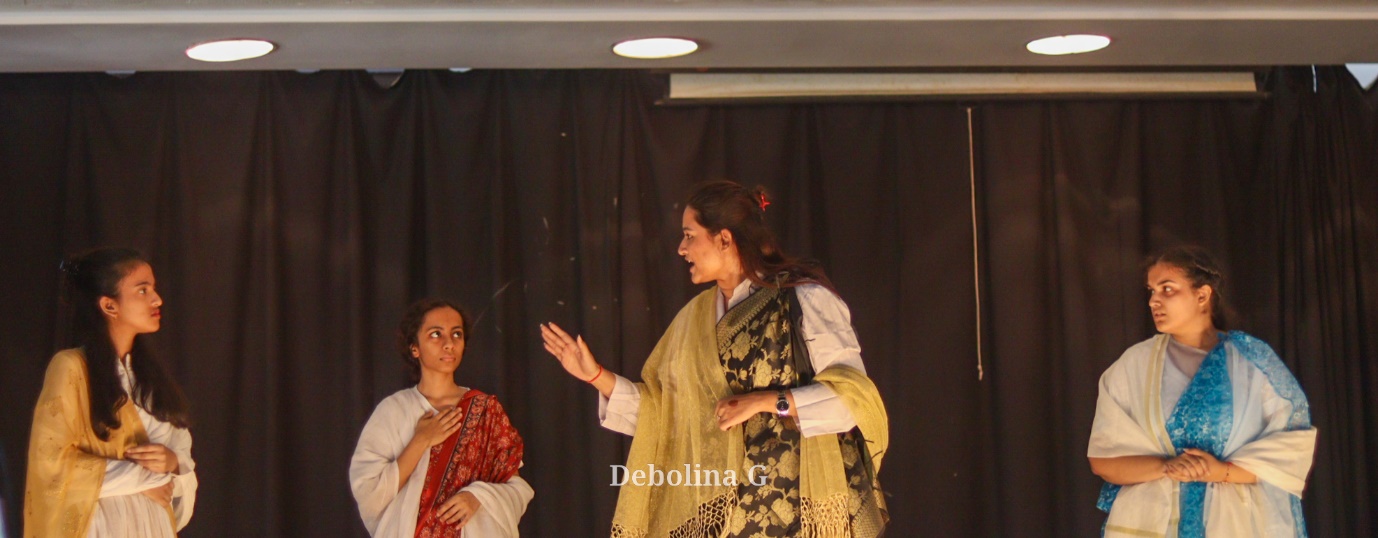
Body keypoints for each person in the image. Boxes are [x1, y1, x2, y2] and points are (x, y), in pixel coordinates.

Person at [541, 180, 889, 537]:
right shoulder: (693, 320)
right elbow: (667, 419)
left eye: (689, 235)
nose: (681, 248)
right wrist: (595, 375)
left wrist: (765, 401)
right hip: (726, 520)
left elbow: (853, 401)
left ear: (724, 239)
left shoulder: (803, 299)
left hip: (801, 514)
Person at [1088, 246, 1317, 537]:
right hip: (1153, 521)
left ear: (1202, 295)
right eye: (1151, 291)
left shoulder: (1253, 362)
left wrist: (1220, 471)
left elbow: (1291, 454)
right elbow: (1103, 459)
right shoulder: (1134, 365)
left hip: (1235, 524)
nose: (1153, 301)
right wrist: (1168, 467)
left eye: (1167, 289)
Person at [25, 247, 198, 538]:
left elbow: (180, 458)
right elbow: (51, 467)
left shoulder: (151, 378)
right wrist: (144, 478)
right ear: (109, 305)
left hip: (152, 525)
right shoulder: (72, 368)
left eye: (153, 288)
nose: (157, 299)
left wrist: (173, 463)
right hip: (101, 526)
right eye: (142, 290)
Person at [351, 299, 533, 537]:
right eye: (436, 334)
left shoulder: (486, 410)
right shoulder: (393, 411)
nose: (449, 344)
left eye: (457, 334)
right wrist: (421, 440)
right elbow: (370, 493)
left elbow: (517, 488)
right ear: (414, 348)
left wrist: (478, 497)